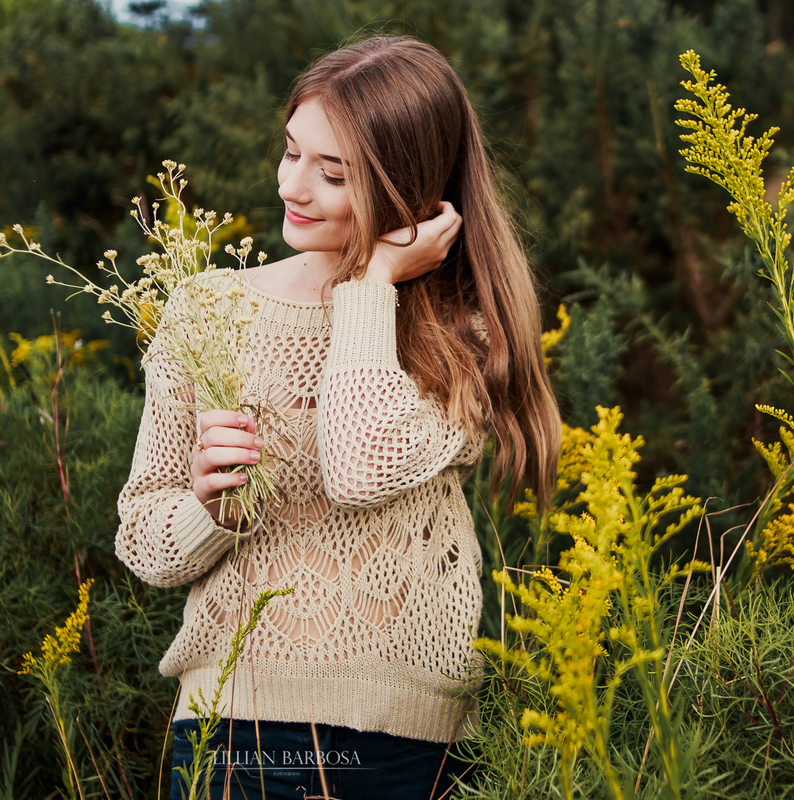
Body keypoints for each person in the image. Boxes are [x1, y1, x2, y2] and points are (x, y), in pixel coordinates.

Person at [115, 35, 561, 800]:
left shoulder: (463, 334)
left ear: (409, 186)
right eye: (291, 153)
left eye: (333, 173)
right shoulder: (208, 309)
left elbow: (360, 466)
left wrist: (375, 280)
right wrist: (206, 509)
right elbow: (144, 546)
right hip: (233, 732)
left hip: (403, 744)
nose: (295, 186)